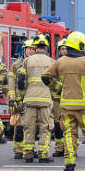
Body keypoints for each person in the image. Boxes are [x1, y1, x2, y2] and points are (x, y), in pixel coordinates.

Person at [42, 31, 85, 171]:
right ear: (79, 45)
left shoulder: (60, 61)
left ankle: (69, 166)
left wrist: (59, 88)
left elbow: (45, 77)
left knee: (69, 135)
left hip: (66, 107)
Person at [16, 35, 55, 163]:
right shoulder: (51, 61)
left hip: (29, 100)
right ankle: (44, 155)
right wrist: (54, 93)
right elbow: (56, 81)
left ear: (35, 46)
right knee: (45, 128)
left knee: (29, 128)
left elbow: (20, 80)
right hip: (45, 100)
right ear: (46, 46)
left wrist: (22, 95)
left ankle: (28, 155)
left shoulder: (27, 61)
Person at [8, 38, 35, 159]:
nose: (31, 51)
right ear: (24, 49)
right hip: (19, 100)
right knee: (18, 127)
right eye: (29, 48)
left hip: (32, 99)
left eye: (33, 49)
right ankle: (18, 150)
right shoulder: (16, 65)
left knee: (31, 126)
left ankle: (30, 149)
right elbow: (11, 82)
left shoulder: (36, 64)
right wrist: (12, 98)